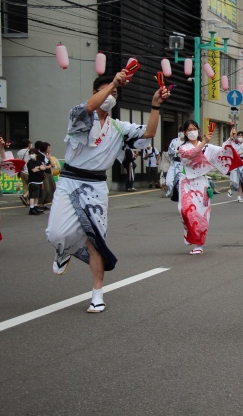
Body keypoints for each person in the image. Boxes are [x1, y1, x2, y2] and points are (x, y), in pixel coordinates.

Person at [46, 71, 169, 313]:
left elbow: (149, 134)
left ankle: (97, 294)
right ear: (94, 93)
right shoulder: (79, 115)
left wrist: (155, 106)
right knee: (56, 234)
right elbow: (91, 106)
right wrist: (113, 81)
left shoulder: (118, 128)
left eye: (114, 93)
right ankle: (64, 251)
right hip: (70, 181)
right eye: (107, 91)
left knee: (97, 242)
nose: (110, 96)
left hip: (96, 187)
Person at [177, 120, 241, 255]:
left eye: (194, 128)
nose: (192, 131)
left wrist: (230, 138)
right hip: (186, 183)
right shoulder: (183, 147)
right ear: (185, 132)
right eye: (189, 129)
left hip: (201, 183)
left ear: (198, 130)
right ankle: (191, 236)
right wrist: (203, 142)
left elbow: (223, 151)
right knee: (184, 211)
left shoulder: (208, 148)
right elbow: (190, 155)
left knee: (200, 214)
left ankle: (199, 244)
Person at [225, 130, 243, 202]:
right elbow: (233, 153)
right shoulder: (234, 144)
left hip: (242, 163)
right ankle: (230, 189)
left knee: (241, 180)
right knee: (234, 178)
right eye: (238, 136)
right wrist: (242, 152)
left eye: (241, 136)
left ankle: (239, 196)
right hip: (235, 162)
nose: (239, 137)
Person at [26, 148, 47, 215]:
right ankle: (31, 209)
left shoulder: (38, 162)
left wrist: (39, 167)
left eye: (33, 153)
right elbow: (33, 170)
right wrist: (40, 168)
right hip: (33, 181)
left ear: (36, 154)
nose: (32, 155)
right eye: (30, 154)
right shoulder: (30, 162)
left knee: (37, 196)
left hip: (39, 181)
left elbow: (44, 168)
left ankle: (35, 207)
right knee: (32, 196)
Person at [16, 139, 32, 206]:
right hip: (28, 171)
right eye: (30, 143)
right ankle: (26, 197)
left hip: (22, 171)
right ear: (28, 144)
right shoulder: (29, 152)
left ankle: (27, 201)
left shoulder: (19, 152)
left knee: (25, 186)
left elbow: (17, 161)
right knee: (32, 186)